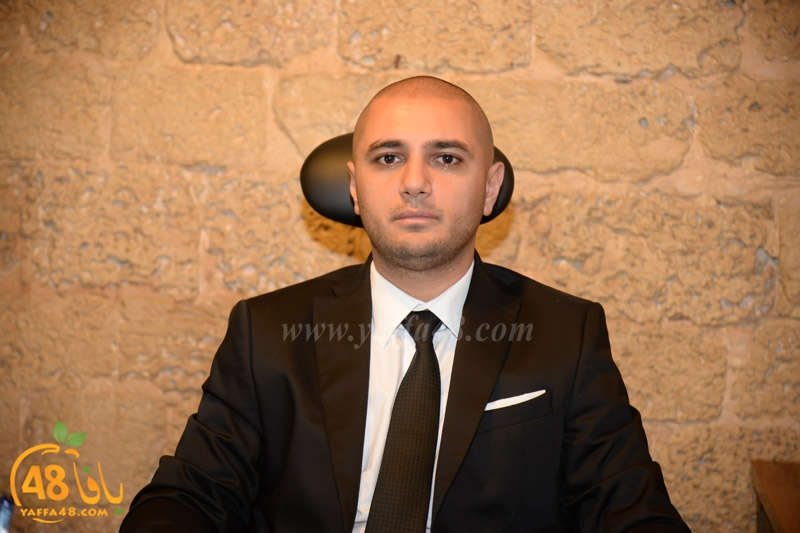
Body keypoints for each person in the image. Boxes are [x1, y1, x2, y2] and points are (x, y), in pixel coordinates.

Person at [121, 76, 690, 532]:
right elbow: (190, 496)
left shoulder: (567, 333)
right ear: (354, 187)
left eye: (447, 158)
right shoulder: (266, 332)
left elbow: (629, 508)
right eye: (389, 158)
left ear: (491, 188)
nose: (415, 182)